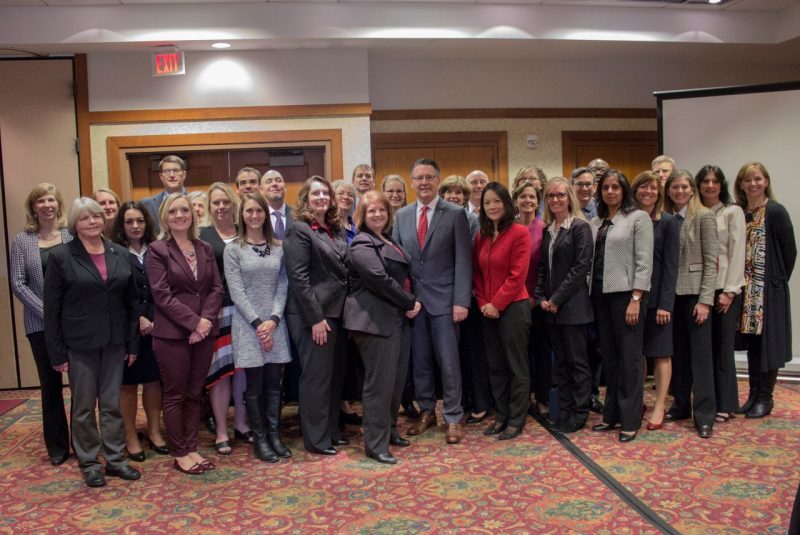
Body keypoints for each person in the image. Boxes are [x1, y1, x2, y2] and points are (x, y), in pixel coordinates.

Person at [44, 197, 141, 487]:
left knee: (111, 404)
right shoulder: (61, 257)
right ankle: (88, 461)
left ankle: (115, 459)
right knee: (84, 407)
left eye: (97, 216)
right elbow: (52, 310)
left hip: (114, 342)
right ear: (75, 223)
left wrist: (132, 344)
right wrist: (57, 352)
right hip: (79, 345)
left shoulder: (120, 253)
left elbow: (132, 304)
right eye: (85, 218)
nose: (93, 222)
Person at [393, 158, 472, 445]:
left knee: (449, 363)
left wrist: (461, 300)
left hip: (446, 303)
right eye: (418, 178)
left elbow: (464, 260)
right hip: (414, 305)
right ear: (411, 182)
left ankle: (452, 416)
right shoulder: (401, 216)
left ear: (437, 180)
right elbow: (397, 262)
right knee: (421, 362)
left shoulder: (454, 214)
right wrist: (403, 299)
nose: (423, 182)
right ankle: (427, 411)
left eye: (429, 177)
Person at [147, 193, 223, 474]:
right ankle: (180, 452)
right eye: (173, 211)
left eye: (184, 210)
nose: (179, 215)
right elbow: (161, 295)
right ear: (165, 216)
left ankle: (192, 447)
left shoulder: (203, 247)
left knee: (195, 393)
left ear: (193, 214)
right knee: (176, 394)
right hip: (172, 335)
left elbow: (216, 288)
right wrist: (194, 323)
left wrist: (205, 322)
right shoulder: (157, 250)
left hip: (204, 332)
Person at [345, 190, 421, 464]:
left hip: (396, 320)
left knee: (395, 381)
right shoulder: (362, 243)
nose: (378, 214)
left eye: (381, 210)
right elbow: (379, 280)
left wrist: (409, 303)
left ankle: (389, 431)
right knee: (378, 385)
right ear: (362, 217)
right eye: (371, 211)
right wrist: (410, 301)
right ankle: (375, 444)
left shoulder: (387, 240)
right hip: (374, 322)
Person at [283, 176, 350, 455]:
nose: (322, 197)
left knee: (334, 378)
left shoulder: (333, 229)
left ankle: (331, 431)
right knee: (316, 379)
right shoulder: (299, 230)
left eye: (326, 193)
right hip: (313, 316)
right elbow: (298, 278)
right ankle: (316, 439)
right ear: (305, 199)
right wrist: (315, 319)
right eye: (316, 193)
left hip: (336, 314)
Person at [224, 192, 292, 462]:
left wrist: (273, 320)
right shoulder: (233, 249)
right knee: (254, 386)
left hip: (275, 324)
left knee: (275, 384)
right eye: (249, 210)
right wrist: (258, 323)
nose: (254, 215)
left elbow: (283, 284)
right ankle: (260, 438)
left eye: (259, 210)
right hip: (248, 325)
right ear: (242, 214)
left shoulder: (278, 246)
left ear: (266, 213)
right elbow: (236, 290)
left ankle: (275, 435)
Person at [10, 183, 72, 466]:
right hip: (39, 324)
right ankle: (57, 446)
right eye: (41, 201)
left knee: (83, 384)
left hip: (74, 322)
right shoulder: (22, 241)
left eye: (51, 199)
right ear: (33, 207)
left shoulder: (71, 236)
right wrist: (49, 313)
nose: (47, 205)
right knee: (51, 384)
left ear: (58, 205)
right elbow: (18, 284)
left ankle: (85, 441)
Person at [589, 170, 653, 443]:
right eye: (606, 187)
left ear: (624, 190)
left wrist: (636, 298)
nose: (610, 191)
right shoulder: (597, 221)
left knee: (629, 360)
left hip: (627, 296)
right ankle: (611, 415)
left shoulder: (638, 218)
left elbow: (644, 261)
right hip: (601, 296)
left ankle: (630, 420)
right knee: (611, 359)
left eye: (616, 187)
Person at [735, 162, 796, 418]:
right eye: (748, 180)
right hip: (745, 293)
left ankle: (765, 397)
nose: (753, 184)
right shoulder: (739, 212)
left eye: (758, 179)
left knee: (768, 346)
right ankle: (752, 395)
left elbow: (789, 252)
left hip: (768, 292)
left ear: (766, 181)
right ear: (741, 185)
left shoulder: (775, 211)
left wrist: (775, 283)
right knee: (753, 344)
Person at [110, 201, 169, 462]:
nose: (135, 226)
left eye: (140, 221)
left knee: (154, 380)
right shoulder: (113, 252)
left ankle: (155, 431)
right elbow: (114, 295)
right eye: (129, 222)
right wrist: (138, 320)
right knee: (128, 384)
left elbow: (166, 288)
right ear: (121, 226)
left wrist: (156, 319)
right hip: (127, 330)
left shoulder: (157, 249)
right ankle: (131, 435)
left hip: (159, 326)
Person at [535, 178, 594, 434]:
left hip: (573, 308)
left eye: (560, 195)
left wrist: (556, 299)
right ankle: (566, 410)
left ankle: (580, 412)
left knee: (577, 363)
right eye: (550, 196)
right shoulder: (549, 229)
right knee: (560, 364)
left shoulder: (580, 227)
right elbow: (542, 269)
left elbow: (580, 269)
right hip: (551, 310)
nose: (555, 200)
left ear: (569, 197)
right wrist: (541, 297)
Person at [473, 183, 532, 440]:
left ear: (507, 203)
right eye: (487, 203)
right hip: (487, 310)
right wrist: (484, 304)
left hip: (514, 308)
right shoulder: (482, 234)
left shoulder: (519, 232)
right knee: (495, 367)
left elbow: (517, 276)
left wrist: (496, 304)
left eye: (497, 201)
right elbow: (477, 273)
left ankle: (517, 419)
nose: (492, 206)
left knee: (516, 366)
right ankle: (501, 415)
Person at [663, 170, 718, 438]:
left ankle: (705, 414)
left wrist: (706, 301)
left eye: (684, 187)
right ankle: (681, 405)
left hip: (696, 297)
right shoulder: (666, 218)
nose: (680, 191)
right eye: (675, 187)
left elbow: (711, 262)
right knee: (679, 356)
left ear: (692, 189)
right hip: (671, 297)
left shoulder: (704, 216)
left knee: (701, 358)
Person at [200, 182, 250, 455]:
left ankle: (242, 424)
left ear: (234, 204)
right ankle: (221, 430)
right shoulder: (203, 236)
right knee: (219, 373)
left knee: (242, 369)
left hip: (246, 313)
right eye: (216, 203)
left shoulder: (245, 233)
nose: (221, 207)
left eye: (225, 202)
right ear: (209, 207)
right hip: (217, 312)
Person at [631, 171, 679, 431]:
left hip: (659, 296)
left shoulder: (668, 222)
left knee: (660, 353)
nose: (647, 192)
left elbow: (672, 267)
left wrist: (665, 304)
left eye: (652, 188)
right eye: (642, 187)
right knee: (636, 353)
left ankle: (660, 404)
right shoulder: (628, 220)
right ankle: (637, 401)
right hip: (633, 298)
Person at [439, 175, 488, 424]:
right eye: (449, 192)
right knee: (455, 355)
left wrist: (464, 297)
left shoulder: (471, 220)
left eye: (459, 193)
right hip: (445, 298)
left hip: (467, 297)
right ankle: (464, 400)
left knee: (472, 353)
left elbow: (470, 260)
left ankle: (479, 402)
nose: (454, 196)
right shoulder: (440, 218)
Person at [697, 165, 745, 423]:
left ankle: (726, 403)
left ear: (721, 185)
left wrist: (730, 291)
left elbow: (738, 252)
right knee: (706, 349)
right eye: (705, 181)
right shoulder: (697, 212)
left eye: (715, 181)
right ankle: (708, 400)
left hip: (726, 289)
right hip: (702, 288)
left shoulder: (731, 212)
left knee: (723, 348)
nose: (710, 185)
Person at [512, 181, 548, 416]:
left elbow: (546, 267)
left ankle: (543, 397)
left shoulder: (544, 229)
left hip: (537, 301)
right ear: (515, 201)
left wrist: (536, 296)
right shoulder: (509, 228)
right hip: (513, 301)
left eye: (532, 197)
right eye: (523, 197)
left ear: (538, 201)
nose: (527, 201)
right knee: (518, 355)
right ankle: (521, 399)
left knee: (541, 352)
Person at [332, 179, 364, 426]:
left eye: (349, 194)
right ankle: (340, 403)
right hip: (338, 298)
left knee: (353, 353)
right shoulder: (331, 227)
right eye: (340, 193)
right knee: (339, 352)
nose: (345, 196)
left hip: (359, 296)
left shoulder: (357, 225)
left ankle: (349, 399)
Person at [571, 167, 602, 412]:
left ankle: (592, 393)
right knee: (576, 348)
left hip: (597, 289)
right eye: (579, 184)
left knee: (595, 347)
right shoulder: (565, 211)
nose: (584, 188)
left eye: (588, 184)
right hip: (573, 291)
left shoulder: (602, 212)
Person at [140, 155, 188, 234]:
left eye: (176, 170)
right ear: (161, 176)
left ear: (184, 174)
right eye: (167, 171)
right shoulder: (146, 204)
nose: (172, 175)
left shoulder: (196, 202)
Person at [439, 175, 480, 240]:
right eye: (449, 192)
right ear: (442, 195)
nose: (453, 196)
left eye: (458, 192)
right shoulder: (436, 217)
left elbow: (474, 246)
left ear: (464, 197)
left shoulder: (473, 219)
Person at [333, 179, 358, 244]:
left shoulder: (356, 225)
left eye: (350, 195)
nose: (346, 197)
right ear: (332, 197)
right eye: (341, 193)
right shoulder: (329, 224)